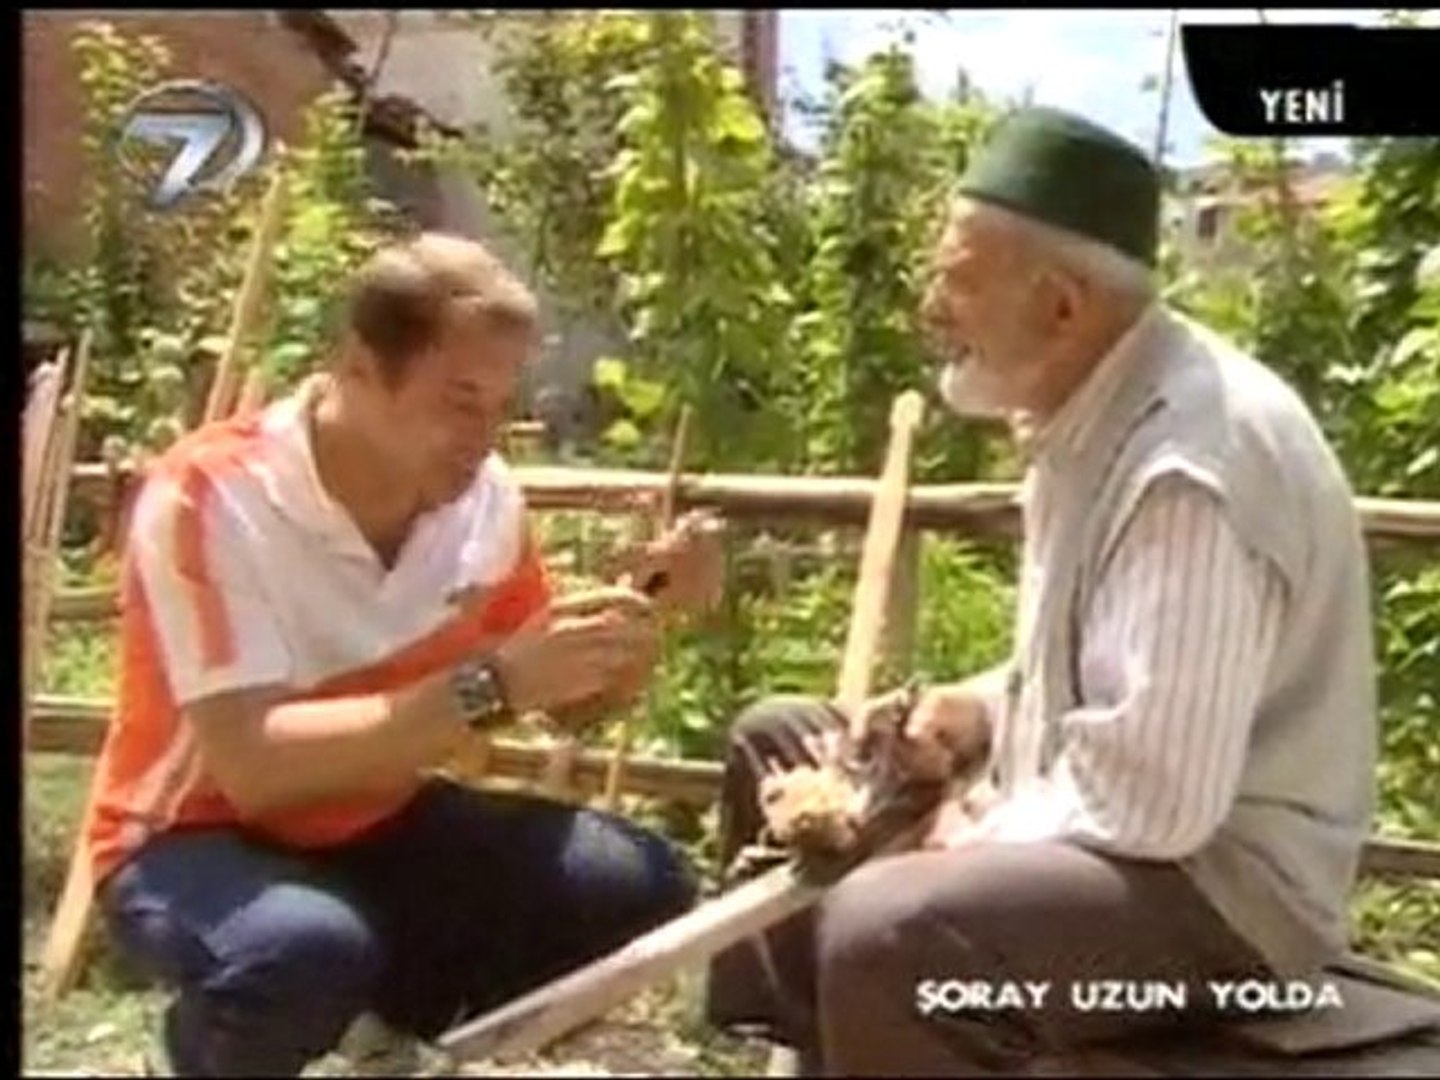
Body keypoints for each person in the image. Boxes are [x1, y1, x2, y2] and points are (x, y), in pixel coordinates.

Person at [705, 106, 1379, 1075]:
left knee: (894, 932)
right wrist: (976, 714)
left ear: (1062, 305)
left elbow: (1155, 797)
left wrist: (970, 833)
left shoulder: (1191, 465)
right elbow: (1116, 666)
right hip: (1129, 844)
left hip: (1229, 910)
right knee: (779, 739)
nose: (932, 308)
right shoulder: (1091, 415)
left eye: (957, 281)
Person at [84, 233, 720, 1076]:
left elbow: (566, 707)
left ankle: (392, 1030)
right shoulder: (210, 497)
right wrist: (492, 685)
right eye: (461, 401)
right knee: (303, 949)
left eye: (500, 407)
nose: (483, 438)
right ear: (359, 369)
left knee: (639, 883)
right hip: (191, 833)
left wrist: (634, 627)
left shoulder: (485, 504)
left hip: (376, 817)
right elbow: (255, 770)